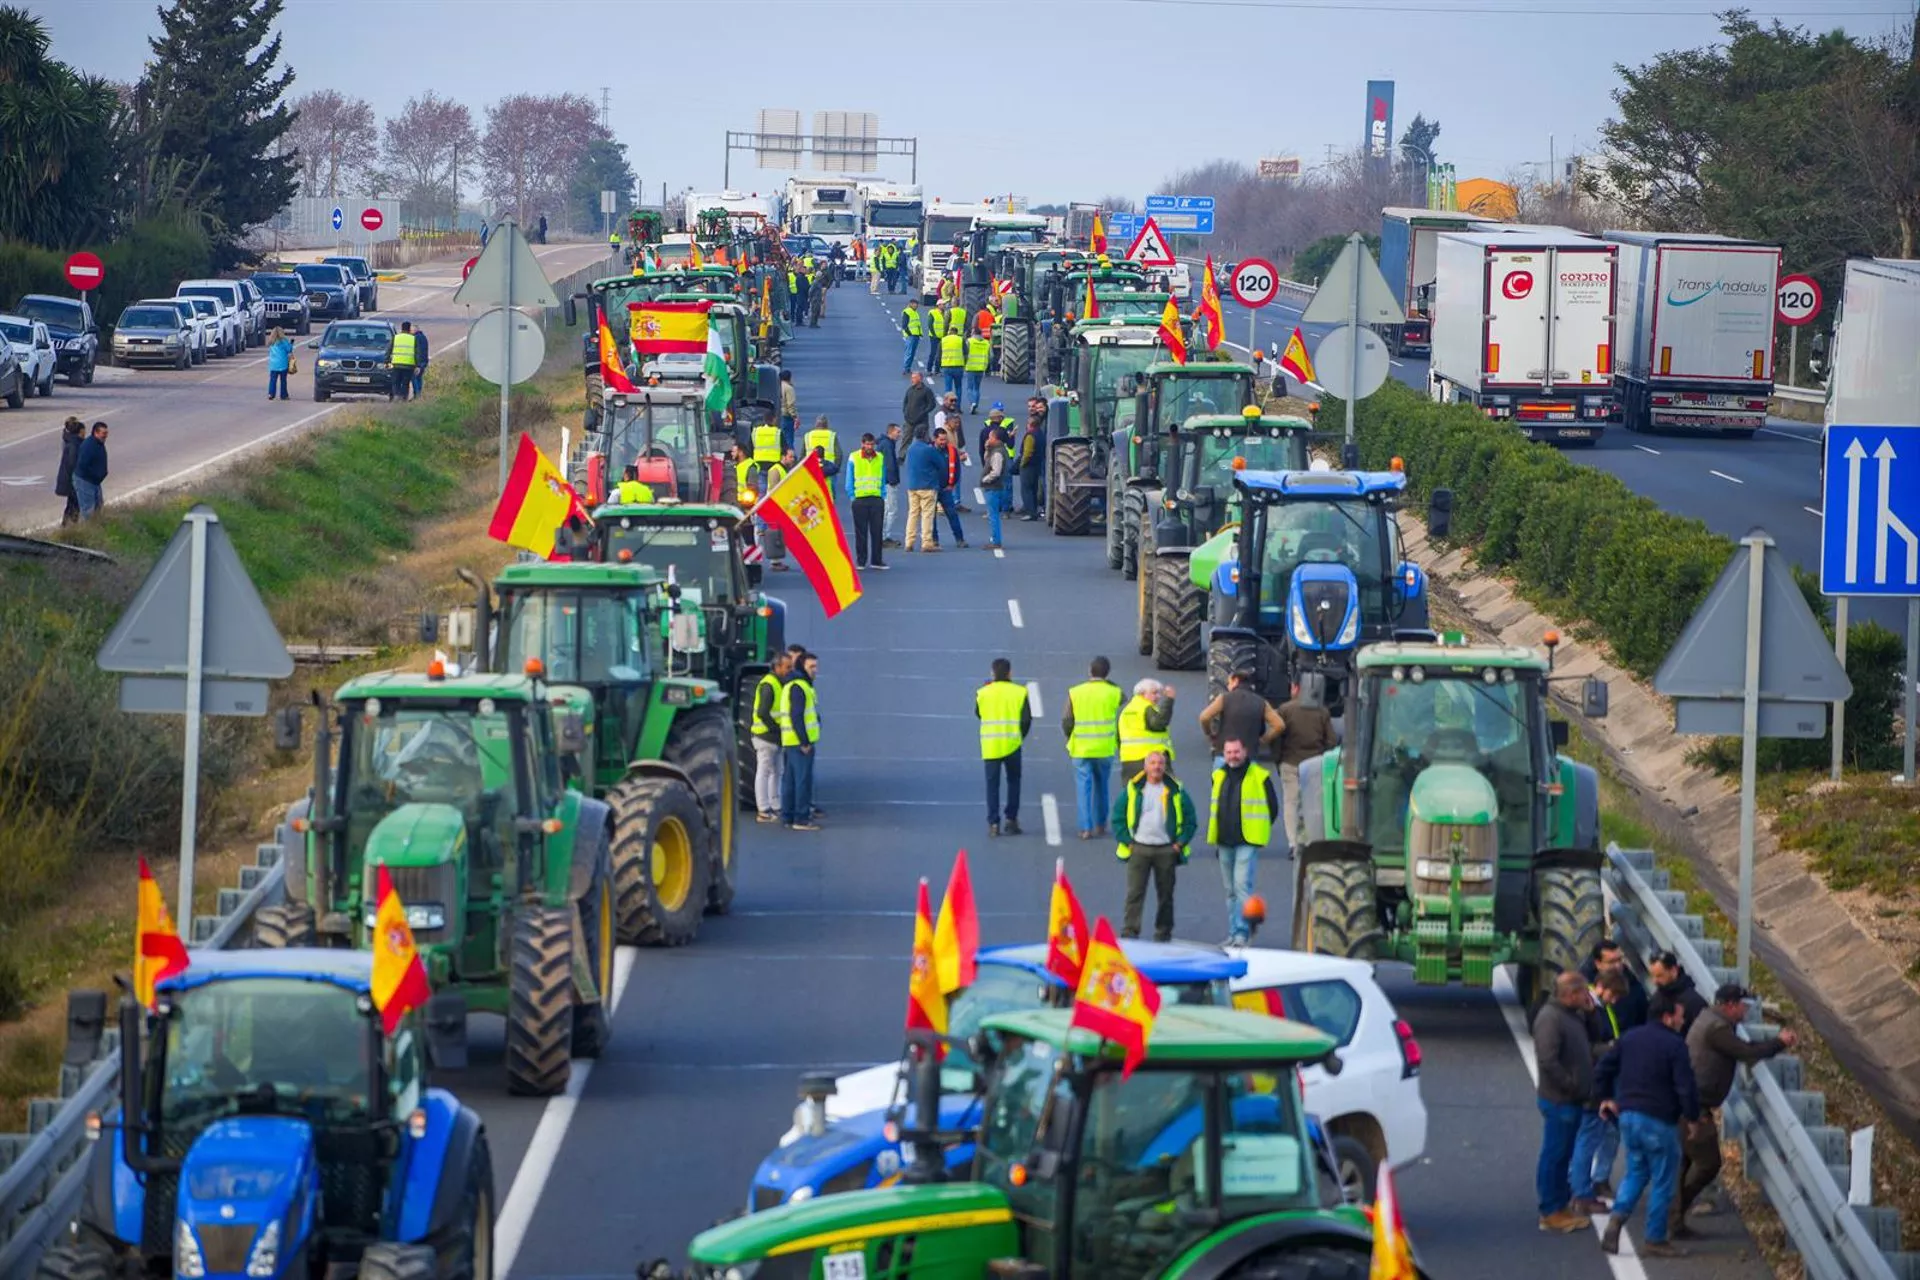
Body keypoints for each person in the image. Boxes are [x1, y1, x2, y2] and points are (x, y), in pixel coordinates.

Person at [1673, 984, 1796, 1238]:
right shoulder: (1717, 1028)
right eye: (1744, 1006)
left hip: (1686, 1101)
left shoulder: (1711, 1019)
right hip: (1693, 1106)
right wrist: (1779, 1042)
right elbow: (1746, 1052)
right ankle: (1670, 1213)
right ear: (1729, 1005)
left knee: (1684, 1164)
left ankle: (1671, 1219)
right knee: (1708, 1163)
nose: (1747, 1012)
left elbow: (1742, 1047)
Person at [1595, 993, 1701, 1258]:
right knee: (1664, 1180)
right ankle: (1655, 1238)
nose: (1682, 1019)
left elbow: (1603, 1068)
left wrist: (1605, 1097)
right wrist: (1692, 1117)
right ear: (1667, 1017)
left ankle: (1617, 1219)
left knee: (1636, 1172)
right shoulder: (1675, 1045)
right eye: (1679, 1015)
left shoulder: (1629, 1038)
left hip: (1628, 1117)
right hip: (1659, 1120)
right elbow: (1685, 1087)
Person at [1533, 971, 1598, 1234]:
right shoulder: (1550, 1019)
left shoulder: (1572, 1014)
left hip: (1572, 1099)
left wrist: (1592, 1013)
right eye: (1583, 992)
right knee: (1555, 1155)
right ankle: (1550, 1210)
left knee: (1563, 1154)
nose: (1587, 996)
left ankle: (1560, 1204)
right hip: (1560, 1100)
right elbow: (1548, 1060)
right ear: (1570, 994)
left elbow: (1595, 1037)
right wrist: (1570, 1085)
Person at [1112, 749, 1195, 942]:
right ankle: (1130, 932)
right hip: (1139, 849)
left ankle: (1163, 932)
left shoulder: (1176, 790)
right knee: (1134, 894)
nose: (1157, 767)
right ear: (1145, 766)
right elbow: (1118, 817)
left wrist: (1180, 843)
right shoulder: (1133, 789)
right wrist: (1128, 842)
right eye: (1153, 763)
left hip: (1166, 849)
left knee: (1165, 895)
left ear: (1165, 767)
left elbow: (1191, 820)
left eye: (1160, 763)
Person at [1209, 737, 1280, 946]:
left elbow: (1272, 807)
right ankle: (1233, 933)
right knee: (1230, 890)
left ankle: (1242, 933)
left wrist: (1260, 829)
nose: (1233, 756)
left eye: (1236, 752)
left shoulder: (1259, 776)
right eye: (1229, 752)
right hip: (1223, 840)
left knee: (1241, 886)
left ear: (1245, 752)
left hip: (1247, 840)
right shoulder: (1218, 775)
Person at [1570, 967, 1629, 1209]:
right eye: (1612, 996)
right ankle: (1581, 1190)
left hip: (1601, 1079)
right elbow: (1586, 1048)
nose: (1613, 1002)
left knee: (1604, 1133)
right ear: (1601, 987)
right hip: (1594, 1082)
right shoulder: (1588, 1011)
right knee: (1588, 1137)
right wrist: (1613, 1048)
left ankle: (1593, 1181)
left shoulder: (1599, 1009)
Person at [1063, 656, 1123, 839]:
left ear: (1090, 671)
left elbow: (1067, 720)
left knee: (1083, 787)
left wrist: (1069, 736)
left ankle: (1085, 827)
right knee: (1102, 786)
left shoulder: (1076, 692)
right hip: (1104, 747)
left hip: (1081, 747)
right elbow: (1123, 698)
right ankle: (1100, 823)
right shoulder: (1114, 692)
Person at [1273, 678, 1336, 845]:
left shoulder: (1285, 710)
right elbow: (1331, 740)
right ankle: (1310, 841)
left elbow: (1276, 738)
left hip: (1290, 762)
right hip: (1315, 764)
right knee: (1314, 805)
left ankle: (1293, 843)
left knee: (1291, 803)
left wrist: (1278, 759)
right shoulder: (1322, 712)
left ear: (1295, 688)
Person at [976, 657, 1032, 836]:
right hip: (1013, 744)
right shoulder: (1019, 692)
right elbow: (1026, 719)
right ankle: (1011, 819)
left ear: (992, 673)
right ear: (1010, 673)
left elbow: (978, 712)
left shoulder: (983, 692)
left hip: (991, 745)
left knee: (992, 785)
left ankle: (993, 823)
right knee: (1013, 782)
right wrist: (1019, 736)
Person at [1198, 668, 1284, 772]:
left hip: (1224, 754)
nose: (1228, 686)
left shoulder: (1225, 698)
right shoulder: (1261, 702)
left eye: (1229, 682)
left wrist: (1209, 733)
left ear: (1236, 681)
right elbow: (1279, 725)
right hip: (1250, 755)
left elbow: (1204, 717)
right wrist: (1263, 740)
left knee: (1221, 786)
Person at [751, 652, 794, 822]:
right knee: (765, 770)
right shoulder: (769, 685)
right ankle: (763, 809)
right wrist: (776, 729)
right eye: (787, 667)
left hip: (773, 736)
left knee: (776, 771)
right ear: (777, 667)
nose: (790, 670)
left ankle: (775, 805)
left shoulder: (778, 683)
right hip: (765, 736)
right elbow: (762, 712)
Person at [781, 651, 821, 830]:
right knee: (803, 780)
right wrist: (804, 741)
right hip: (800, 743)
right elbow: (797, 716)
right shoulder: (800, 686)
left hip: (790, 741)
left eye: (816, 666)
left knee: (789, 781)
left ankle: (788, 816)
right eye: (811, 666)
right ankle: (801, 819)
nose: (815, 670)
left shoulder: (792, 685)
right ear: (802, 667)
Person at [1581, 940, 1649, 1031]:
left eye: (1619, 960)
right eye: (1611, 962)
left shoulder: (1633, 985)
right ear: (1598, 964)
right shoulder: (1584, 989)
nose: (1618, 965)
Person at [844, 432, 888, 570]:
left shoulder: (880, 457)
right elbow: (849, 479)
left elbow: (883, 478)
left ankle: (876, 560)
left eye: (871, 444)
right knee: (860, 532)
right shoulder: (854, 457)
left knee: (877, 531)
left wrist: (882, 495)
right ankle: (861, 561)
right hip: (860, 500)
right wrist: (852, 496)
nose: (869, 446)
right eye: (867, 444)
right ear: (862, 444)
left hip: (876, 499)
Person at [1119, 678, 1177, 782]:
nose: (1158, 697)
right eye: (1154, 693)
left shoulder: (1125, 710)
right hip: (1152, 761)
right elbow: (1159, 723)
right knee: (1167, 791)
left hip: (1129, 761)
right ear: (1142, 694)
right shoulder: (1146, 708)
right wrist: (1169, 700)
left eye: (1159, 693)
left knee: (1134, 794)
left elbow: (1118, 737)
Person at [903, 428, 943, 553]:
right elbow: (941, 464)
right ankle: (926, 542)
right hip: (927, 485)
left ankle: (909, 542)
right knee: (927, 515)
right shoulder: (929, 450)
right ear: (925, 435)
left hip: (913, 486)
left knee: (913, 514)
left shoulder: (910, 448)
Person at [1646, 952, 1706, 1035]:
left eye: (1659, 976)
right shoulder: (1656, 998)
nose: (1654, 981)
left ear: (1674, 971)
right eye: (1652, 976)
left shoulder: (1694, 1002)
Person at [930, 427, 967, 549]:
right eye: (941, 440)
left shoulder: (951, 451)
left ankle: (960, 539)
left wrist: (952, 484)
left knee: (952, 514)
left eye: (945, 439)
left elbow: (957, 469)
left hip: (946, 489)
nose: (943, 442)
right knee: (931, 516)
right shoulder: (928, 451)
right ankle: (934, 540)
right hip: (932, 489)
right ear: (935, 439)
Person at [978, 425, 1011, 551]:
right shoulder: (994, 450)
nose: (988, 438)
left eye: (990, 437)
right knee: (993, 515)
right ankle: (995, 539)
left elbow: (996, 471)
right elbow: (987, 459)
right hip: (994, 487)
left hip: (993, 487)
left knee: (993, 515)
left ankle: (996, 541)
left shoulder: (998, 453)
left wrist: (985, 479)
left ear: (996, 438)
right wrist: (987, 448)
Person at [1017, 398, 1047, 520]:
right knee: (1034, 488)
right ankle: (1034, 509)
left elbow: (1028, 452)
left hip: (1029, 466)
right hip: (1037, 464)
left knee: (1027, 489)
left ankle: (1030, 512)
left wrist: (1022, 464)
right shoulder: (1040, 433)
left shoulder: (1030, 435)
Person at [73, 421, 108, 519]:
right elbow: (82, 465)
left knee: (98, 506)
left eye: (106, 433)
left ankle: (97, 528)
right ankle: (87, 531)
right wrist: (96, 476)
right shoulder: (88, 446)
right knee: (88, 511)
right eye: (104, 433)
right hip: (86, 481)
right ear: (96, 433)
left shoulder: (99, 443)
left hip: (95, 482)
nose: (106, 436)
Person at [53, 417, 84, 525]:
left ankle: (67, 524)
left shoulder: (68, 440)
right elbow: (73, 463)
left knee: (71, 503)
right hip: (72, 479)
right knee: (75, 503)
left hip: (68, 478)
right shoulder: (74, 445)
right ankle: (70, 524)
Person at [880, 423, 903, 546]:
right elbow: (890, 465)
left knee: (887, 508)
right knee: (891, 509)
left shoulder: (884, 443)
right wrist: (893, 481)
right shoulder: (888, 445)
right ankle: (885, 536)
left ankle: (883, 535)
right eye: (897, 432)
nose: (899, 435)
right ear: (891, 432)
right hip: (889, 482)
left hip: (884, 481)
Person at [963, 326, 991, 413]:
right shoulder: (987, 343)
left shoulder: (969, 341)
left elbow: (965, 353)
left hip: (970, 367)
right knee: (977, 388)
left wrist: (964, 363)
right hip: (981, 368)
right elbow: (991, 356)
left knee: (969, 388)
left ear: (973, 333)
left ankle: (972, 403)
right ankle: (975, 406)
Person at [390, 322, 419, 400]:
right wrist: (418, 365)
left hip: (396, 364)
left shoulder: (396, 337)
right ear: (409, 329)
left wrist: (386, 361)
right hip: (409, 365)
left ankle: (396, 395)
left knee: (396, 382)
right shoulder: (413, 339)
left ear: (401, 328)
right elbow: (417, 353)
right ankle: (403, 398)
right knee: (405, 383)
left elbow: (389, 350)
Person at [939, 316, 966, 399]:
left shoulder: (943, 340)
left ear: (949, 332)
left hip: (946, 366)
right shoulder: (961, 340)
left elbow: (939, 354)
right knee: (958, 387)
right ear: (956, 333)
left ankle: (949, 406)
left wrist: (939, 366)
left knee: (948, 388)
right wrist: (964, 364)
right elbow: (966, 353)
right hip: (958, 366)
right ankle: (957, 407)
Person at [903, 371, 935, 436]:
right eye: (912, 378)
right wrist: (905, 412)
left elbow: (932, 404)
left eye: (914, 378)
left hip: (921, 421)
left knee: (924, 439)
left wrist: (923, 413)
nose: (912, 380)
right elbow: (905, 402)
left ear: (920, 379)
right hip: (909, 421)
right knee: (906, 441)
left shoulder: (926, 390)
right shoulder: (910, 389)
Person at [266, 327, 293, 400]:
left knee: (273, 380)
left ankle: (271, 394)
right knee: (283, 380)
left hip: (273, 365)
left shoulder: (271, 342)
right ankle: (283, 395)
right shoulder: (283, 341)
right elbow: (289, 349)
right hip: (283, 364)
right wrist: (291, 344)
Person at [900, 301, 923, 375]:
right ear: (911, 304)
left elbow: (917, 324)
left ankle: (908, 368)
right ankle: (906, 368)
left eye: (917, 305)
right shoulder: (907, 312)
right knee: (909, 352)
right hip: (911, 335)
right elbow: (904, 325)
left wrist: (919, 334)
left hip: (916, 335)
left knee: (912, 353)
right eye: (915, 305)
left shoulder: (915, 312)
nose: (916, 306)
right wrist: (909, 333)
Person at [778, 371, 799, 454]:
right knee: (789, 440)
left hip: (779, 416)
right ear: (789, 378)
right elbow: (790, 405)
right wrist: (795, 417)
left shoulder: (778, 387)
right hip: (787, 417)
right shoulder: (789, 388)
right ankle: (791, 457)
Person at [411, 326, 430, 399]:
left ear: (415, 330)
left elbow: (417, 351)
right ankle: (419, 393)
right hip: (424, 360)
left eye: (411, 330)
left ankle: (417, 394)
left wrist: (416, 363)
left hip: (418, 361)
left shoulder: (415, 338)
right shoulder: (423, 337)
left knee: (414, 377)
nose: (410, 332)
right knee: (419, 377)